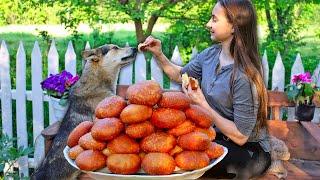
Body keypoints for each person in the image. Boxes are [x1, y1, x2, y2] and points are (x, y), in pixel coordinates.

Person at [140, 0, 271, 179]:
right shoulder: (211, 54)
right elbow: (181, 76)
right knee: (166, 152)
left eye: (214, 19)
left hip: (249, 151)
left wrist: (201, 103)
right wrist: (159, 55)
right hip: (216, 138)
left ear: (234, 26)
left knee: (183, 162)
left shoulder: (244, 75)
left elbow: (241, 136)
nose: (208, 24)